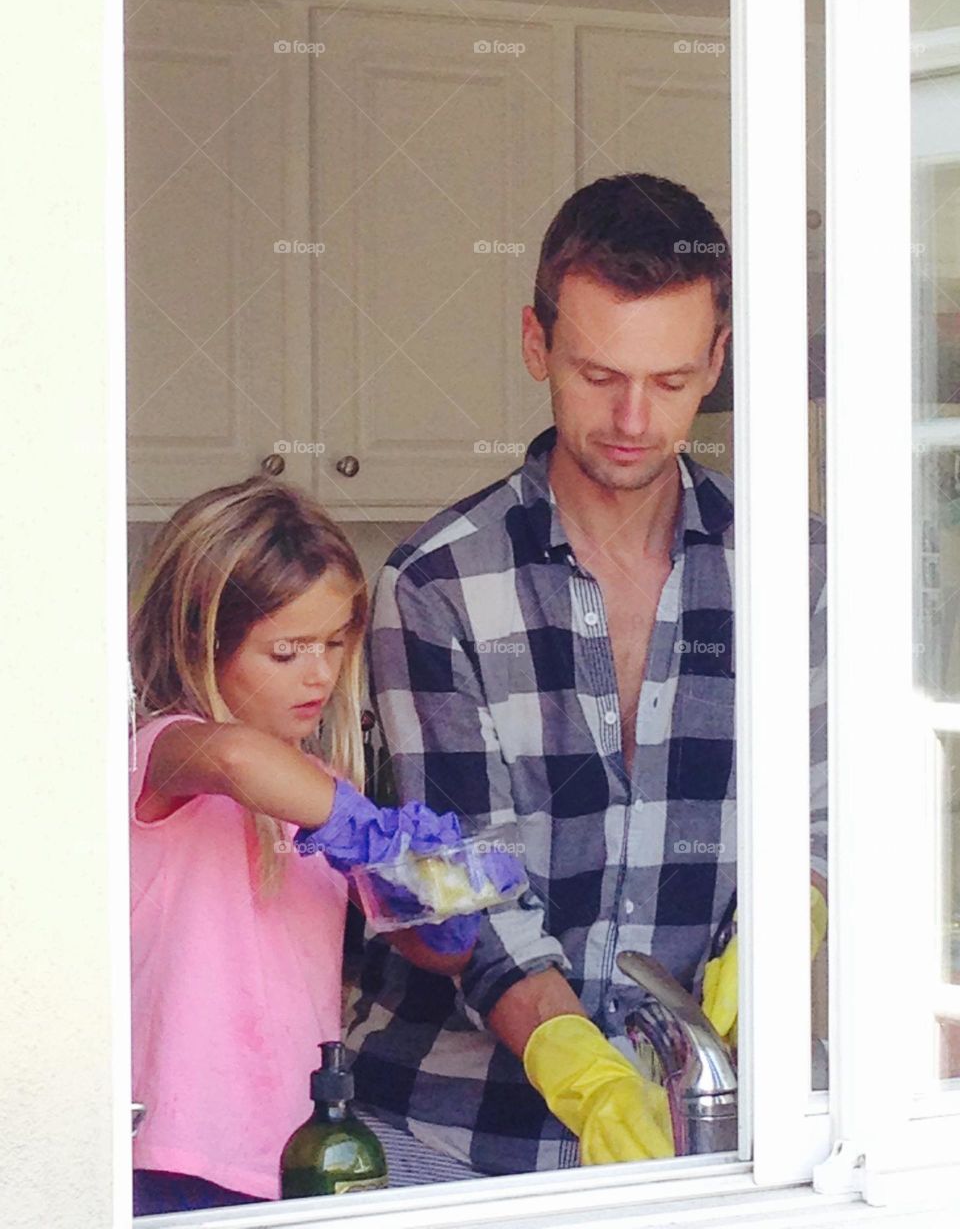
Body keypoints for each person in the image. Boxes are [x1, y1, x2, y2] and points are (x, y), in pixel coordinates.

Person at [344, 173, 828, 1178]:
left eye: (672, 379)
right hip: (454, 1130)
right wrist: (590, 1076)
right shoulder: (437, 584)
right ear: (537, 345)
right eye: (600, 374)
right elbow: (454, 882)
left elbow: (822, 826)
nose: (635, 417)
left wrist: (771, 952)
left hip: (707, 1129)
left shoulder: (798, 570)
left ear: (717, 360)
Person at [127, 476, 482, 1214]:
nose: (320, 674)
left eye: (334, 642)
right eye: (285, 650)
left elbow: (436, 954)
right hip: (174, 1156)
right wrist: (363, 827)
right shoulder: (168, 753)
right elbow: (237, 761)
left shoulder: (313, 787)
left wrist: (440, 902)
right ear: (200, 638)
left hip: (299, 1157)